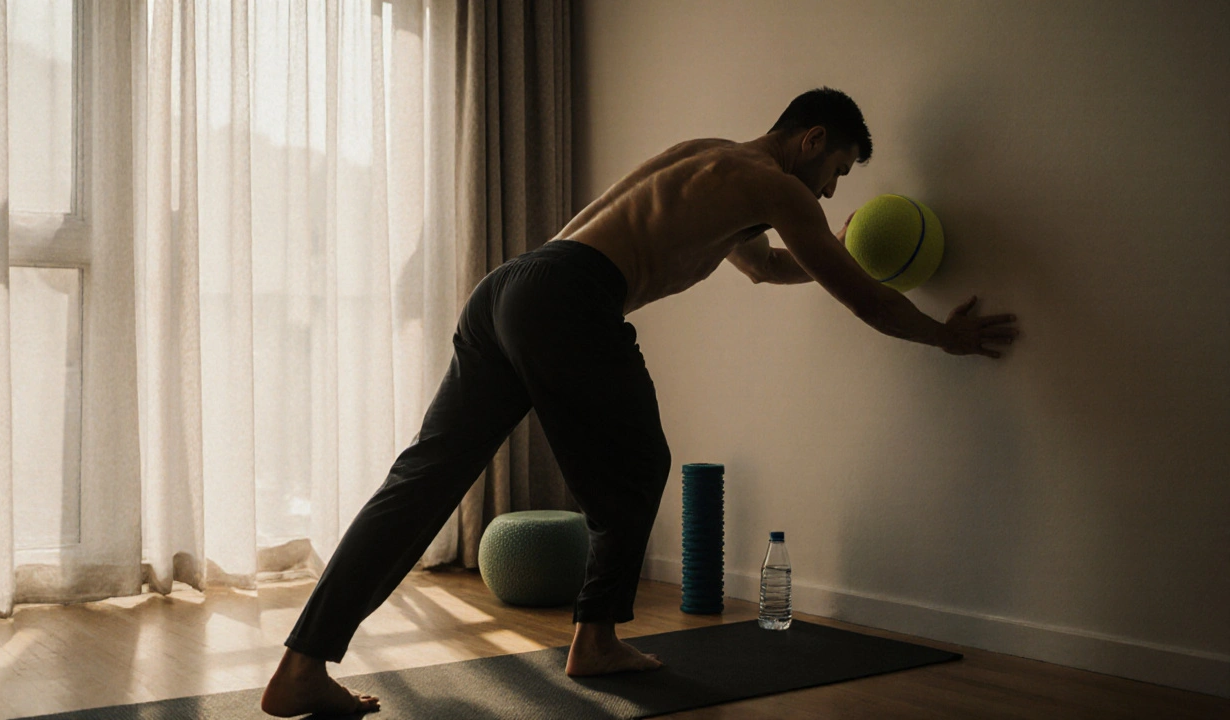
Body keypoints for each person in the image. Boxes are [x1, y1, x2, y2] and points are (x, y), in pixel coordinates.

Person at [260, 87, 1019, 717]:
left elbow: (763, 269)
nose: (829, 192)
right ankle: (595, 639)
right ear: (812, 140)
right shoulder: (775, 187)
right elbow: (864, 303)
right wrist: (945, 338)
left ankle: (301, 665)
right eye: (838, 171)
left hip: (509, 290)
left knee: (421, 483)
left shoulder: (710, 161)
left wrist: (831, 247)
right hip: (570, 297)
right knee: (640, 463)